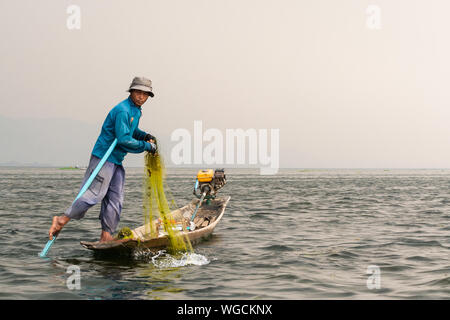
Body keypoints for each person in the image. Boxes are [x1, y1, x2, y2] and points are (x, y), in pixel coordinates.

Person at [48, 76, 157, 242]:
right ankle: (62, 219)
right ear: (132, 91)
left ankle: (106, 235)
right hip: (104, 157)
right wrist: (147, 146)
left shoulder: (136, 110)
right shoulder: (123, 110)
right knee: (94, 194)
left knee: (115, 198)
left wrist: (145, 136)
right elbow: (123, 140)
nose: (141, 96)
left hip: (116, 159)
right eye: (138, 92)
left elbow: (130, 131)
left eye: (145, 94)